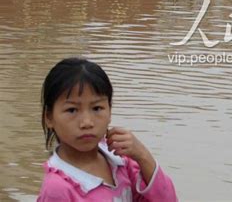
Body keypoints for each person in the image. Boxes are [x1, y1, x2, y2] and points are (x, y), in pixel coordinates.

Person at [37, 57, 178, 201]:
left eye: (97, 108)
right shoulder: (58, 188)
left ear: (110, 110)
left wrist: (143, 156)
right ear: (49, 117)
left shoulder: (119, 159)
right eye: (72, 110)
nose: (87, 122)